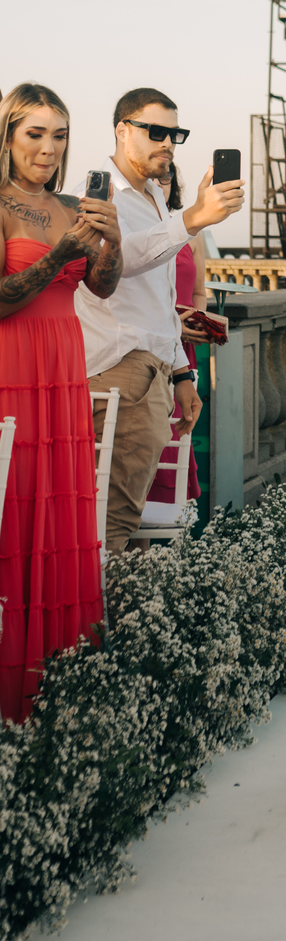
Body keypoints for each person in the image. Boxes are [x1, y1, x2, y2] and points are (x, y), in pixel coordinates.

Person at [74, 89, 244, 557]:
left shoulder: (153, 196)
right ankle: (91, 627)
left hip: (151, 372)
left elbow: (161, 300)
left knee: (123, 523)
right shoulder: (100, 192)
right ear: (122, 131)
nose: (168, 143)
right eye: (156, 132)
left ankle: (108, 622)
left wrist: (182, 374)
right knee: (111, 521)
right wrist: (192, 219)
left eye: (175, 134)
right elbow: (118, 263)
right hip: (118, 372)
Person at [0, 84, 121, 721]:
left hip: (62, 371)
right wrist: (60, 253)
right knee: (14, 514)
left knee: (60, 514)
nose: (49, 149)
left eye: (60, 135)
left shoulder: (74, 205)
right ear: (9, 137)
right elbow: (2, 297)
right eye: (35, 134)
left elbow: (100, 288)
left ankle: (61, 684)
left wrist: (112, 242)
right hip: (12, 369)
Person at [145, 163, 205, 508]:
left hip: (185, 350)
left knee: (178, 436)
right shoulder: (132, 228)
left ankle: (165, 537)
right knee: (151, 440)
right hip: (152, 344)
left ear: (172, 186)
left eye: (164, 179)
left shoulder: (192, 234)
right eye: (150, 178)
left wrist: (200, 320)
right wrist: (173, 324)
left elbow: (199, 292)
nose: (156, 184)